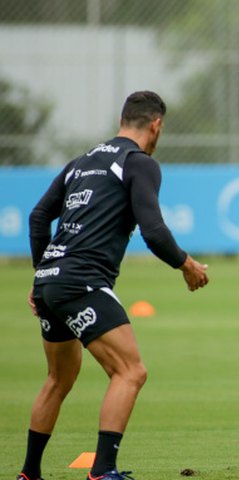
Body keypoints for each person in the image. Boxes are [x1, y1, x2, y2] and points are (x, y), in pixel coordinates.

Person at [18, 91, 210, 480]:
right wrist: (186, 264)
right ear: (155, 124)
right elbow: (154, 232)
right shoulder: (138, 163)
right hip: (82, 281)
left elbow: (39, 216)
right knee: (130, 371)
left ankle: (29, 473)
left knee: (59, 378)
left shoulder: (81, 162)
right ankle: (103, 471)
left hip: (53, 282)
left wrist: (43, 273)